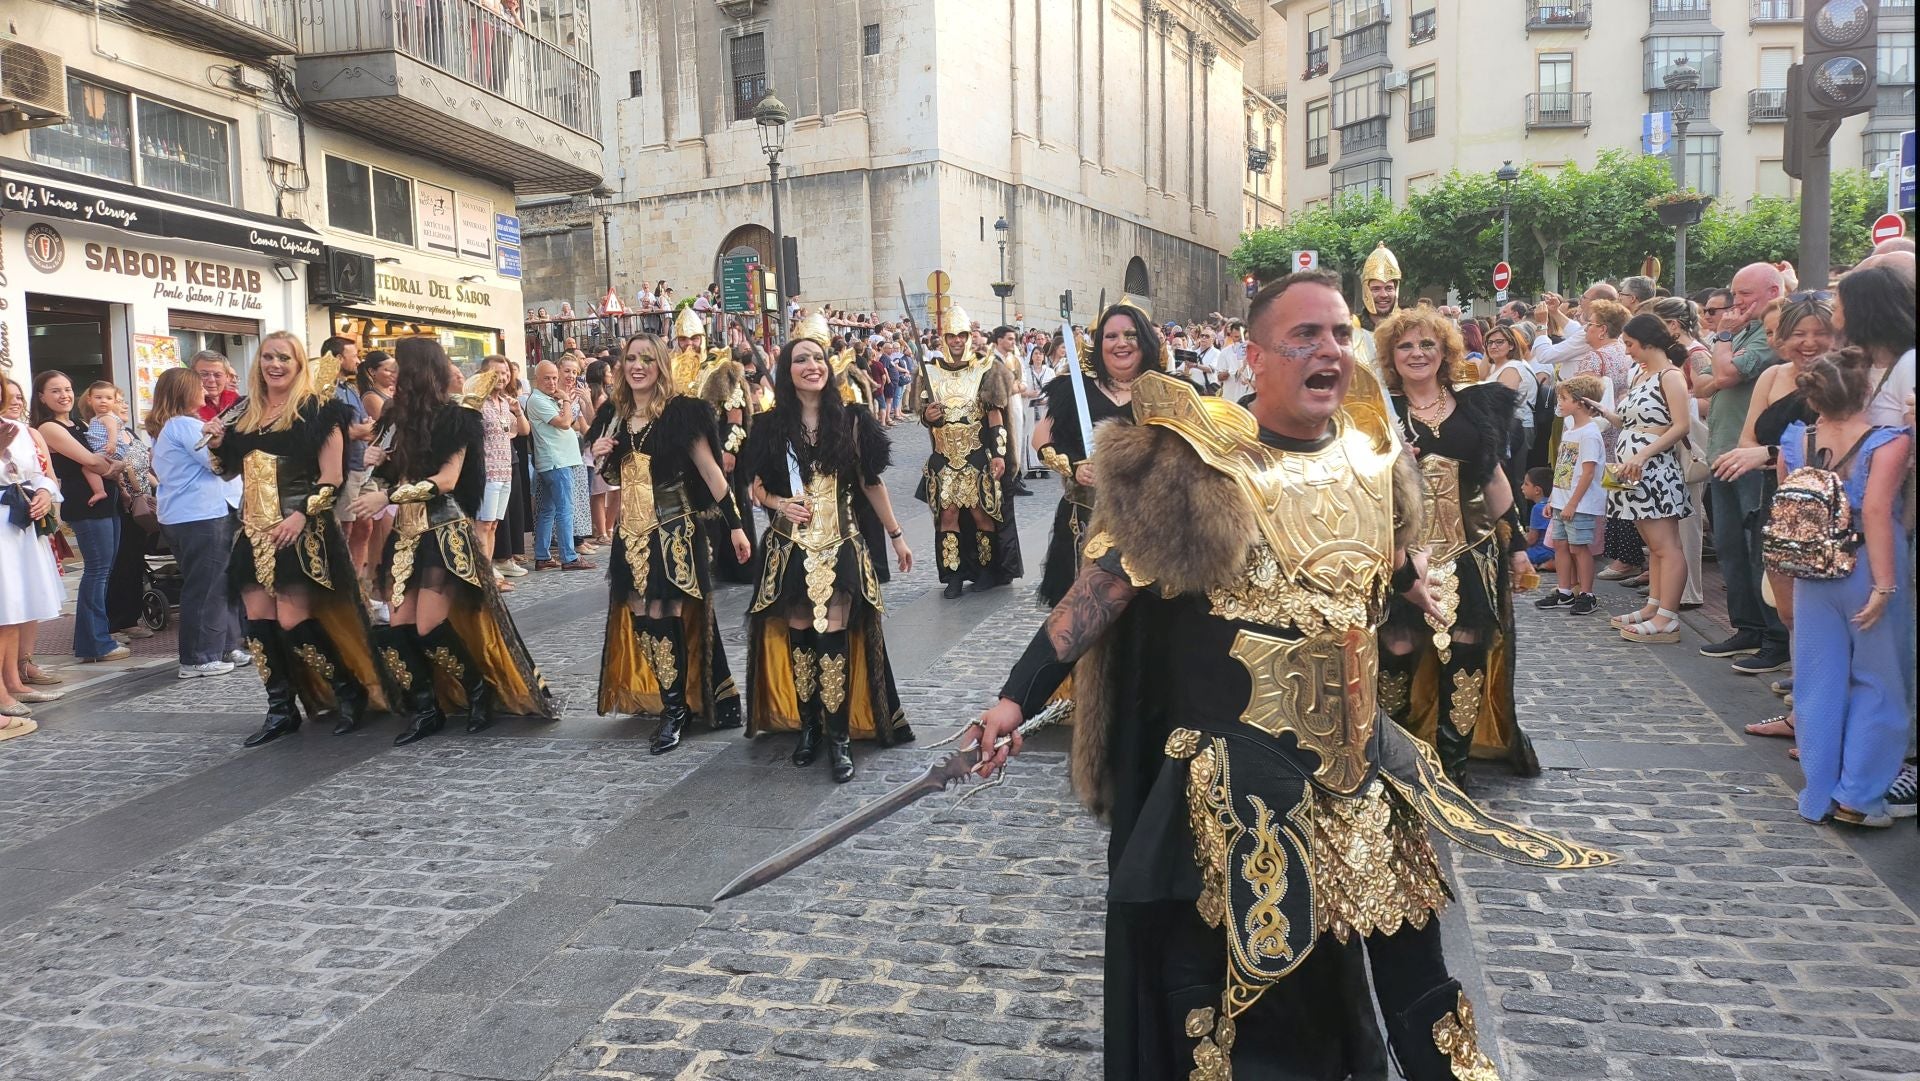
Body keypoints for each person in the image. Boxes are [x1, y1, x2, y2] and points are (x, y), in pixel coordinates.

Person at [968, 270, 1614, 1081]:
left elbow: (1373, 570)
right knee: (1250, 1008)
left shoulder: (1371, 456)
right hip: (1238, 787)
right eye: (1304, 335)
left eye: (1339, 333)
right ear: (1256, 357)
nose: (1329, 350)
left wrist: (1408, 583)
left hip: (1359, 772)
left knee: (1422, 989)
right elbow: (1101, 591)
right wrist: (1015, 697)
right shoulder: (1197, 468)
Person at [351, 339, 553, 745]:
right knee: (397, 630)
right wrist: (377, 463)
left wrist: (386, 495)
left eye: (400, 368)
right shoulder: (394, 417)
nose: (394, 376)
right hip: (405, 536)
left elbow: (447, 480)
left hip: (443, 533)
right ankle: (427, 708)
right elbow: (391, 473)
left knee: (428, 626)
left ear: (419, 371)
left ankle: (477, 690)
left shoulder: (456, 417)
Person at [738, 335, 916, 781]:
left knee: (832, 636)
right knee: (801, 637)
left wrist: (896, 536)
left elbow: (871, 483)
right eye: (801, 360)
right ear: (787, 370)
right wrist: (779, 503)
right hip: (789, 547)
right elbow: (755, 487)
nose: (812, 366)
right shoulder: (769, 424)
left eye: (818, 358)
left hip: (840, 544)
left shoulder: (852, 420)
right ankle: (810, 729)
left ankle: (839, 738)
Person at [206, 332, 391, 747]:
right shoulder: (244, 412)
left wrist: (299, 516)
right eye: (268, 357)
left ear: (298, 364)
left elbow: (332, 479)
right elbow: (227, 470)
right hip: (253, 531)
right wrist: (217, 444)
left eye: (284, 358)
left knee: (294, 622)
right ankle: (281, 710)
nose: (275, 365)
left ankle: (348, 691)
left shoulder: (319, 411)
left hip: (302, 531)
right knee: (260, 625)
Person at [1377, 308, 1537, 783]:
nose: (1417, 354)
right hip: (1400, 553)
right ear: (1391, 356)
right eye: (1406, 346)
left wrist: (1518, 547)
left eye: (1427, 344)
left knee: (1467, 649)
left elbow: (1494, 478)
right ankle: (1394, 762)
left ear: (1445, 351)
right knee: (1396, 647)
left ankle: (1453, 768)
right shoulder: (1378, 412)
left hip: (1472, 551)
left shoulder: (1477, 404)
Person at [588, 333, 750, 754]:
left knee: (664, 612)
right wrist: (599, 453)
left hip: (674, 530)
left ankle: (675, 711)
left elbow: (712, 474)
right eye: (631, 358)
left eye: (647, 359)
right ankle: (672, 699)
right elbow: (612, 477)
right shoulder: (615, 415)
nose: (637, 366)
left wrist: (735, 526)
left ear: (660, 365)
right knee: (642, 617)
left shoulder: (681, 414)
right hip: (630, 533)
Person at [1778, 349, 1911, 827]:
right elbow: (1876, 510)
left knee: (1818, 680)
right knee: (1880, 681)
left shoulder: (1796, 440)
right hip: (1868, 566)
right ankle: (1859, 796)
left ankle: (1818, 792)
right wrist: (1885, 586)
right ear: (1866, 391)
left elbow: (1787, 509)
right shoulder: (1888, 442)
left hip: (1812, 571)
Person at [1031, 305, 1162, 608]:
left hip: (1147, 523)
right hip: (1083, 518)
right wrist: (1073, 466)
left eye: (1130, 335)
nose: (1121, 343)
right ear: (1099, 342)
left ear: (1145, 339)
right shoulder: (1074, 389)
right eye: (1111, 336)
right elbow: (1040, 438)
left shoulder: (1167, 391)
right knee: (1080, 618)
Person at [1697, 263, 1790, 673]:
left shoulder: (1772, 332)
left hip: (1755, 459)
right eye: (1734, 294)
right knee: (1731, 547)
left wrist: (1722, 340)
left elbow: (1723, 373)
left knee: (1758, 550)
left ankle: (1775, 637)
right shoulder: (1742, 331)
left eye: (1745, 295)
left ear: (1773, 291)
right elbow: (1702, 384)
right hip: (1723, 452)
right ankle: (1747, 627)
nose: (1736, 303)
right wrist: (1723, 359)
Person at [1587, 314, 1694, 644]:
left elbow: (1681, 425)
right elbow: (1630, 421)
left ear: (1648, 342)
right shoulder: (1641, 374)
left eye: (1631, 344)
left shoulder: (1670, 376)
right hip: (1632, 468)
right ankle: (1654, 606)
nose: (1627, 350)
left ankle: (1667, 616)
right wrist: (1605, 412)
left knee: (1666, 546)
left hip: (1653, 468)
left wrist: (1643, 454)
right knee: (1654, 546)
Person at [909, 302, 1021, 598]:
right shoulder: (930, 372)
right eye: (951, 336)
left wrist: (999, 455)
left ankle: (986, 571)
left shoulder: (986, 369)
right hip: (944, 456)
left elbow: (995, 417)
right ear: (944, 338)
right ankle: (954, 575)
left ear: (968, 337)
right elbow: (924, 414)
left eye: (961, 335)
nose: (956, 341)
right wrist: (928, 416)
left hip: (976, 454)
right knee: (947, 517)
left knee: (981, 514)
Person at [149, 367, 248, 679]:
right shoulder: (184, 425)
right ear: (184, 392)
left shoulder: (175, 426)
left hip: (198, 513)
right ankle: (197, 658)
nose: (205, 390)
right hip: (200, 515)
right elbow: (217, 462)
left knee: (219, 583)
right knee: (206, 587)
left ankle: (224, 646)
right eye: (199, 386)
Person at [32, 371, 127, 663]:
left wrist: (113, 464)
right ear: (42, 397)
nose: (64, 395)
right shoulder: (49, 427)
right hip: (85, 504)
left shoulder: (81, 423)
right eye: (55, 391)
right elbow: (90, 460)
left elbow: (107, 456)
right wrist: (113, 466)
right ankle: (96, 644)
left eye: (68, 389)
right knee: (97, 571)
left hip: (106, 501)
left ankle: (93, 637)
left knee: (105, 571)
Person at [0, 379, 63, 729]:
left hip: (21, 522)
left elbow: (40, 474)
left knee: (16, 607)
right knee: (4, 605)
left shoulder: (22, 431)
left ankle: (13, 680)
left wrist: (43, 492)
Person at [1645, 296, 1714, 609]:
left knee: (1687, 519)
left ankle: (1688, 590)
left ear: (1672, 325)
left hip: (1686, 444)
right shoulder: (1672, 355)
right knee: (1669, 518)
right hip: (1669, 443)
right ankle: (1668, 588)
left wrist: (1677, 402)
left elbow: (1709, 400)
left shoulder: (1696, 354)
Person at [1536, 375, 1608, 614]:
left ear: (1580, 402)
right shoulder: (1570, 432)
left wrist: (1573, 503)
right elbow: (1562, 469)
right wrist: (1553, 499)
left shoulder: (1589, 433)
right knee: (1561, 545)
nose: (1560, 402)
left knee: (1579, 547)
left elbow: (1588, 472)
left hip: (1580, 504)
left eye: (1564, 398)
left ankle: (1587, 593)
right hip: (1562, 501)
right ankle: (1565, 590)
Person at [693, 332, 759, 586]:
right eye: (684, 340)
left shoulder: (725, 374)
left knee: (730, 504)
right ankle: (710, 562)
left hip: (722, 449)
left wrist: (729, 451)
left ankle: (737, 564)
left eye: (693, 339)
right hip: (699, 452)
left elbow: (736, 419)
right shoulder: (686, 371)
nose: (689, 345)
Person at [526, 360, 593, 571]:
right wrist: (566, 400)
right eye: (547, 378)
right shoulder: (538, 400)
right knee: (565, 510)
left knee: (548, 510)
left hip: (556, 461)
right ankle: (569, 557)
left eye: (554, 378)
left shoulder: (547, 398)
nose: (552, 382)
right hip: (557, 462)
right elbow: (565, 424)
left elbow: (574, 423)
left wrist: (564, 401)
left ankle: (542, 556)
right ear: (536, 379)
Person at [473, 356, 529, 590]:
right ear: (484, 374)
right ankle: (483, 576)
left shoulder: (505, 403)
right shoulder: (477, 402)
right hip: (487, 472)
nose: (503, 377)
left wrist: (517, 411)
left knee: (494, 524)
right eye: (497, 372)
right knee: (483, 525)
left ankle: (489, 573)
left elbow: (522, 431)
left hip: (505, 471)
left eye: (506, 373)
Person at [1349, 241, 1404, 375]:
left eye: (1389, 288)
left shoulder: (1408, 325)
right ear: (1366, 291)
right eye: (1376, 289)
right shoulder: (1352, 328)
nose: (1383, 294)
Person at [1521, 466, 1555, 572]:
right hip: (1557, 550)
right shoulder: (1553, 504)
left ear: (1537, 490)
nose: (1522, 487)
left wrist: (1517, 546)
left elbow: (1532, 539)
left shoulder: (1537, 508)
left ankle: (1546, 563)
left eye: (1526, 484)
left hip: (1544, 550)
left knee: (1513, 556)